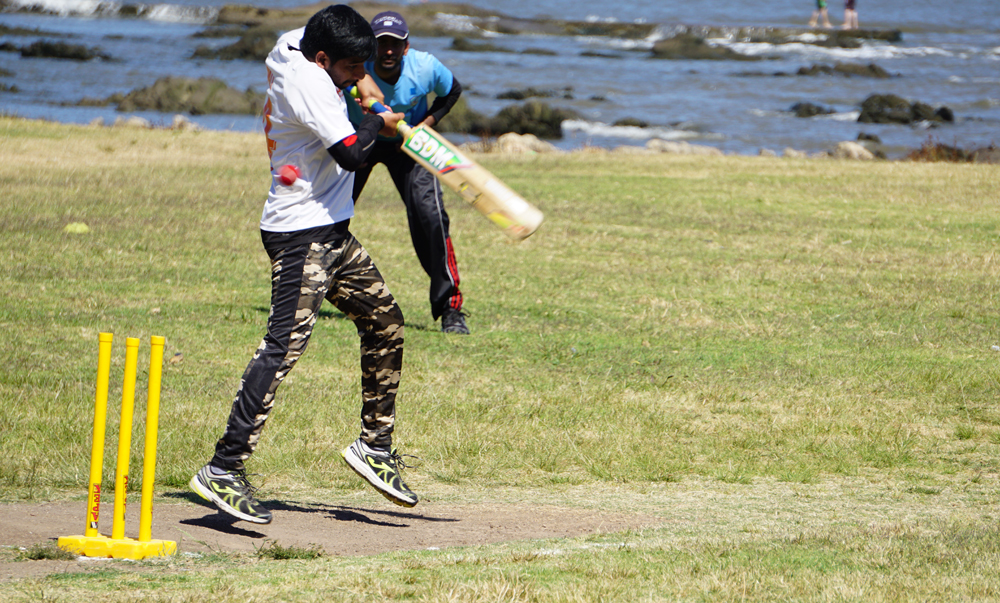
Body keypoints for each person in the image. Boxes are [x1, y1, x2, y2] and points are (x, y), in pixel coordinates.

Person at [188, 5, 417, 525]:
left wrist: (366, 92)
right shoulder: (309, 86)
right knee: (281, 349)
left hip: (333, 232)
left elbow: (340, 64)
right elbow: (355, 156)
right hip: (300, 237)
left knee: (385, 322)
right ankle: (223, 468)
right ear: (321, 59)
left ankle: (375, 447)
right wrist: (378, 121)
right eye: (352, 68)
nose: (361, 75)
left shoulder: (300, 41)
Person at [347, 11, 470, 335]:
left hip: (411, 144)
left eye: (395, 45)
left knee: (431, 216)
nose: (387, 51)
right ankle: (313, 294)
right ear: (370, 46)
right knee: (330, 215)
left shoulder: (426, 66)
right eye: (381, 44)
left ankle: (450, 308)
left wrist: (424, 126)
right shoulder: (355, 67)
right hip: (362, 139)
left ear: (406, 46)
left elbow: (452, 91)